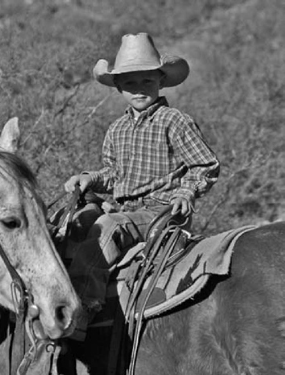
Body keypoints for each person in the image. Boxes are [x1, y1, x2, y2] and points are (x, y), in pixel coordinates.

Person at [64, 32, 220, 340]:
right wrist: (89, 179)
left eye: (147, 81)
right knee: (72, 226)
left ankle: (80, 317)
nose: (139, 89)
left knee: (105, 229)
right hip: (126, 210)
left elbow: (206, 165)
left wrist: (185, 192)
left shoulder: (174, 121)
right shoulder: (116, 129)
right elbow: (114, 174)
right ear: (119, 87)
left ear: (160, 81)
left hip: (161, 213)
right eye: (131, 83)